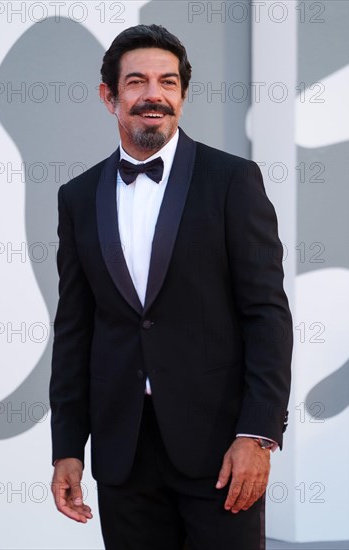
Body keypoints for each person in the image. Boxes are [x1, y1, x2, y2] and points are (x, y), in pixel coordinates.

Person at [50, 24, 292, 550]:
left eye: (168, 81)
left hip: (221, 450)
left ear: (181, 95)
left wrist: (258, 434)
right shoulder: (78, 196)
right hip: (122, 452)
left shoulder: (232, 181)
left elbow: (267, 315)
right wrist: (67, 446)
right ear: (109, 97)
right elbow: (74, 326)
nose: (153, 95)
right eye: (136, 82)